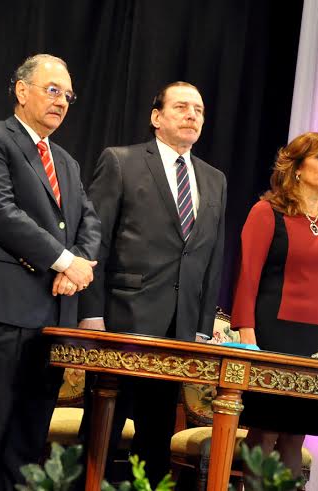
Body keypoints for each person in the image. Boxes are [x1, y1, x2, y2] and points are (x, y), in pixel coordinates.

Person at [0, 54, 101, 491]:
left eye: (68, 95)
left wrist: (76, 267)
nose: (62, 101)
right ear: (21, 90)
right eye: (53, 91)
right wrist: (64, 260)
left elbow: (90, 223)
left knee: (29, 438)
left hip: (52, 317)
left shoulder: (66, 162)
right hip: (2, 309)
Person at [78, 81, 227, 483]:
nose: (192, 115)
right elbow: (95, 240)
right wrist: (91, 312)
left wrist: (201, 327)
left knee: (156, 440)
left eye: (198, 110)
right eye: (181, 107)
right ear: (156, 117)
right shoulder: (121, 162)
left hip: (178, 331)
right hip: (121, 321)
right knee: (101, 436)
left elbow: (212, 258)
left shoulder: (214, 179)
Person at [230, 132, 318, 477]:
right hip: (273, 335)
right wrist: (247, 335)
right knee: (266, 431)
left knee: (295, 436)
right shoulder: (267, 212)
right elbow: (247, 278)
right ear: (296, 168)